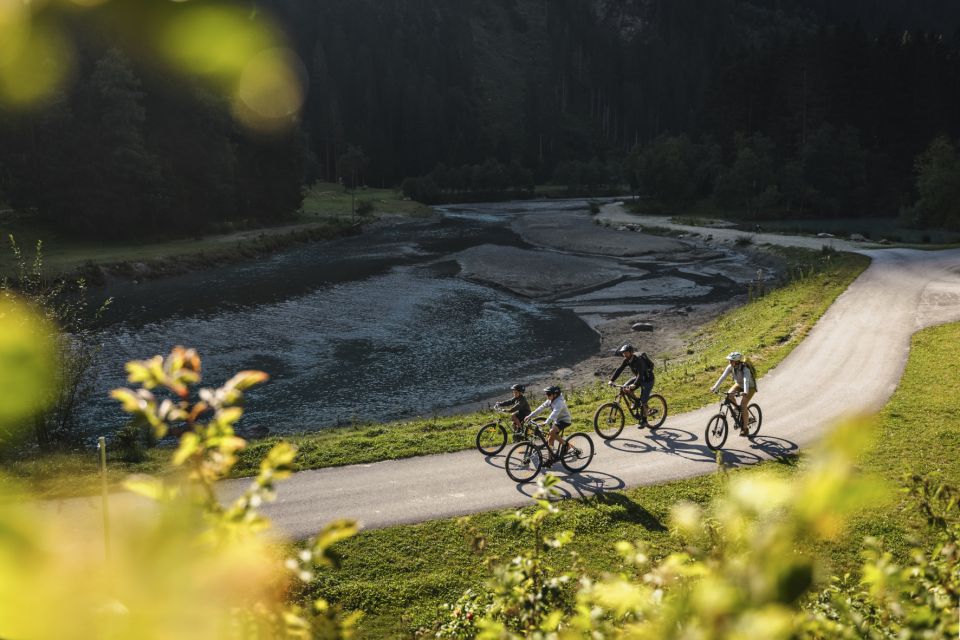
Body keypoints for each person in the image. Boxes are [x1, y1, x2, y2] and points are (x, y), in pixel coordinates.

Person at [709, 351, 757, 435]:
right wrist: (715, 387)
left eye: (731, 360)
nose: (729, 362)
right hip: (738, 384)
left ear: (737, 361)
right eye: (729, 360)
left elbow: (746, 380)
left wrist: (745, 392)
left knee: (743, 405)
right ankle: (738, 411)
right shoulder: (730, 367)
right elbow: (723, 377)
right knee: (729, 395)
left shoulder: (745, 369)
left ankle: (745, 429)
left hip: (750, 387)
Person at [608, 344, 656, 425]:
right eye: (623, 353)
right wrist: (612, 380)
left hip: (647, 379)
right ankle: (637, 402)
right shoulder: (627, 360)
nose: (624, 354)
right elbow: (620, 369)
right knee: (625, 388)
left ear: (631, 352)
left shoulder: (638, 360)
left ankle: (644, 419)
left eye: (626, 352)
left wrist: (634, 384)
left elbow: (641, 374)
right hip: (638, 378)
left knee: (644, 400)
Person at [526, 386, 572, 465]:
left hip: (564, 420)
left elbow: (554, 413)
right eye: (546, 394)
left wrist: (546, 422)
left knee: (551, 432)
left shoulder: (559, 402)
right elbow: (540, 408)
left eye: (548, 394)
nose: (547, 395)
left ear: (555, 395)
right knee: (550, 439)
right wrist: (530, 416)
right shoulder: (550, 400)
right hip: (557, 420)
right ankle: (550, 459)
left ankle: (566, 445)